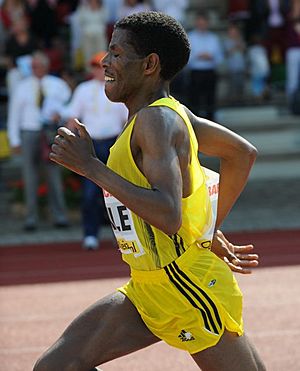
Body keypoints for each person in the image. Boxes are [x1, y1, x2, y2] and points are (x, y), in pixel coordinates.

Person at [34, 11, 265, 370]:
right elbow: (241, 153)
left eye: (117, 52)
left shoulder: (157, 120)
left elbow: (169, 215)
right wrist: (204, 229)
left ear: (150, 64)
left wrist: (90, 167)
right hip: (147, 285)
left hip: (184, 284)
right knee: (57, 366)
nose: (106, 61)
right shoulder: (169, 114)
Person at [62, 51, 127, 250]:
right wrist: (67, 139)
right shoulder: (83, 89)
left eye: (103, 67)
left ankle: (126, 236)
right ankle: (91, 234)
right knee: (90, 192)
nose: (100, 71)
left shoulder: (120, 87)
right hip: (90, 143)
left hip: (115, 143)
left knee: (121, 192)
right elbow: (73, 116)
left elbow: (128, 118)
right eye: (96, 67)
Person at [7, 50, 71, 231]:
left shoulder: (57, 85)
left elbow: (69, 107)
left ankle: (60, 215)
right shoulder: (22, 86)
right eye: (33, 66)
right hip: (29, 132)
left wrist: (62, 117)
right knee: (29, 177)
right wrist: (14, 139)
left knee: (54, 176)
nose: (36, 69)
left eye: (39, 65)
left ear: (46, 66)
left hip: (50, 132)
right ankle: (31, 218)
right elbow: (14, 114)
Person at [187, 11, 224, 120]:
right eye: (200, 22)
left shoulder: (214, 38)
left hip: (210, 72)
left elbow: (220, 57)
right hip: (196, 72)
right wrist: (199, 56)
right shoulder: (190, 37)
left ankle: (211, 122)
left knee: (210, 99)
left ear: (207, 23)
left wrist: (211, 57)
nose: (202, 25)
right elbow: (187, 57)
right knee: (195, 100)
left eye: (204, 23)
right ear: (196, 23)